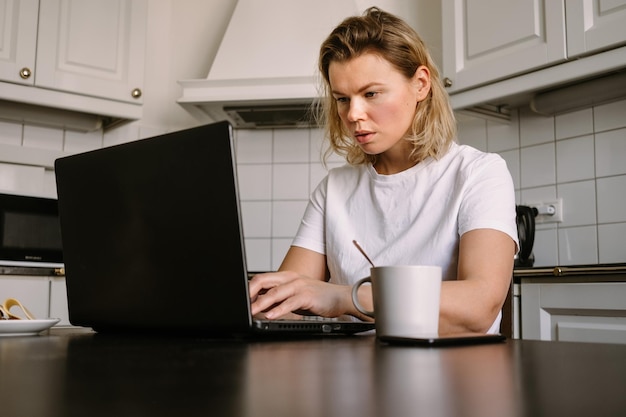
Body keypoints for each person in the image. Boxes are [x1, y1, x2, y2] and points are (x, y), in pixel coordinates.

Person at [248, 7, 518, 335]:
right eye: (342, 99)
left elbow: (479, 306)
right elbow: (284, 306)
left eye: (371, 94)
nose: (353, 114)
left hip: (451, 377)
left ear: (420, 84)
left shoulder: (479, 174)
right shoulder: (333, 189)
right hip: (348, 377)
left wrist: (343, 298)